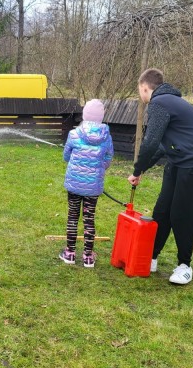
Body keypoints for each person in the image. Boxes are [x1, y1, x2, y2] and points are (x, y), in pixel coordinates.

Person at [128, 68, 193, 285]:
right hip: (177, 160)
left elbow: (148, 143)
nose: (141, 96)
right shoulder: (169, 102)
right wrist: (141, 170)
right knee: (162, 209)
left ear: (144, 87)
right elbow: (159, 146)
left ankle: (185, 266)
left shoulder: (159, 103)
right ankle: (151, 257)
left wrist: (137, 169)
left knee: (182, 213)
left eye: (140, 91)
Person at [59, 99, 114, 268]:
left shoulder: (74, 134)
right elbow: (108, 159)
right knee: (89, 219)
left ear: (84, 115)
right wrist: (98, 169)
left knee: (73, 217)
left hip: (74, 185)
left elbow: (66, 156)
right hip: (93, 187)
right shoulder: (106, 137)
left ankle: (69, 253)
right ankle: (88, 257)